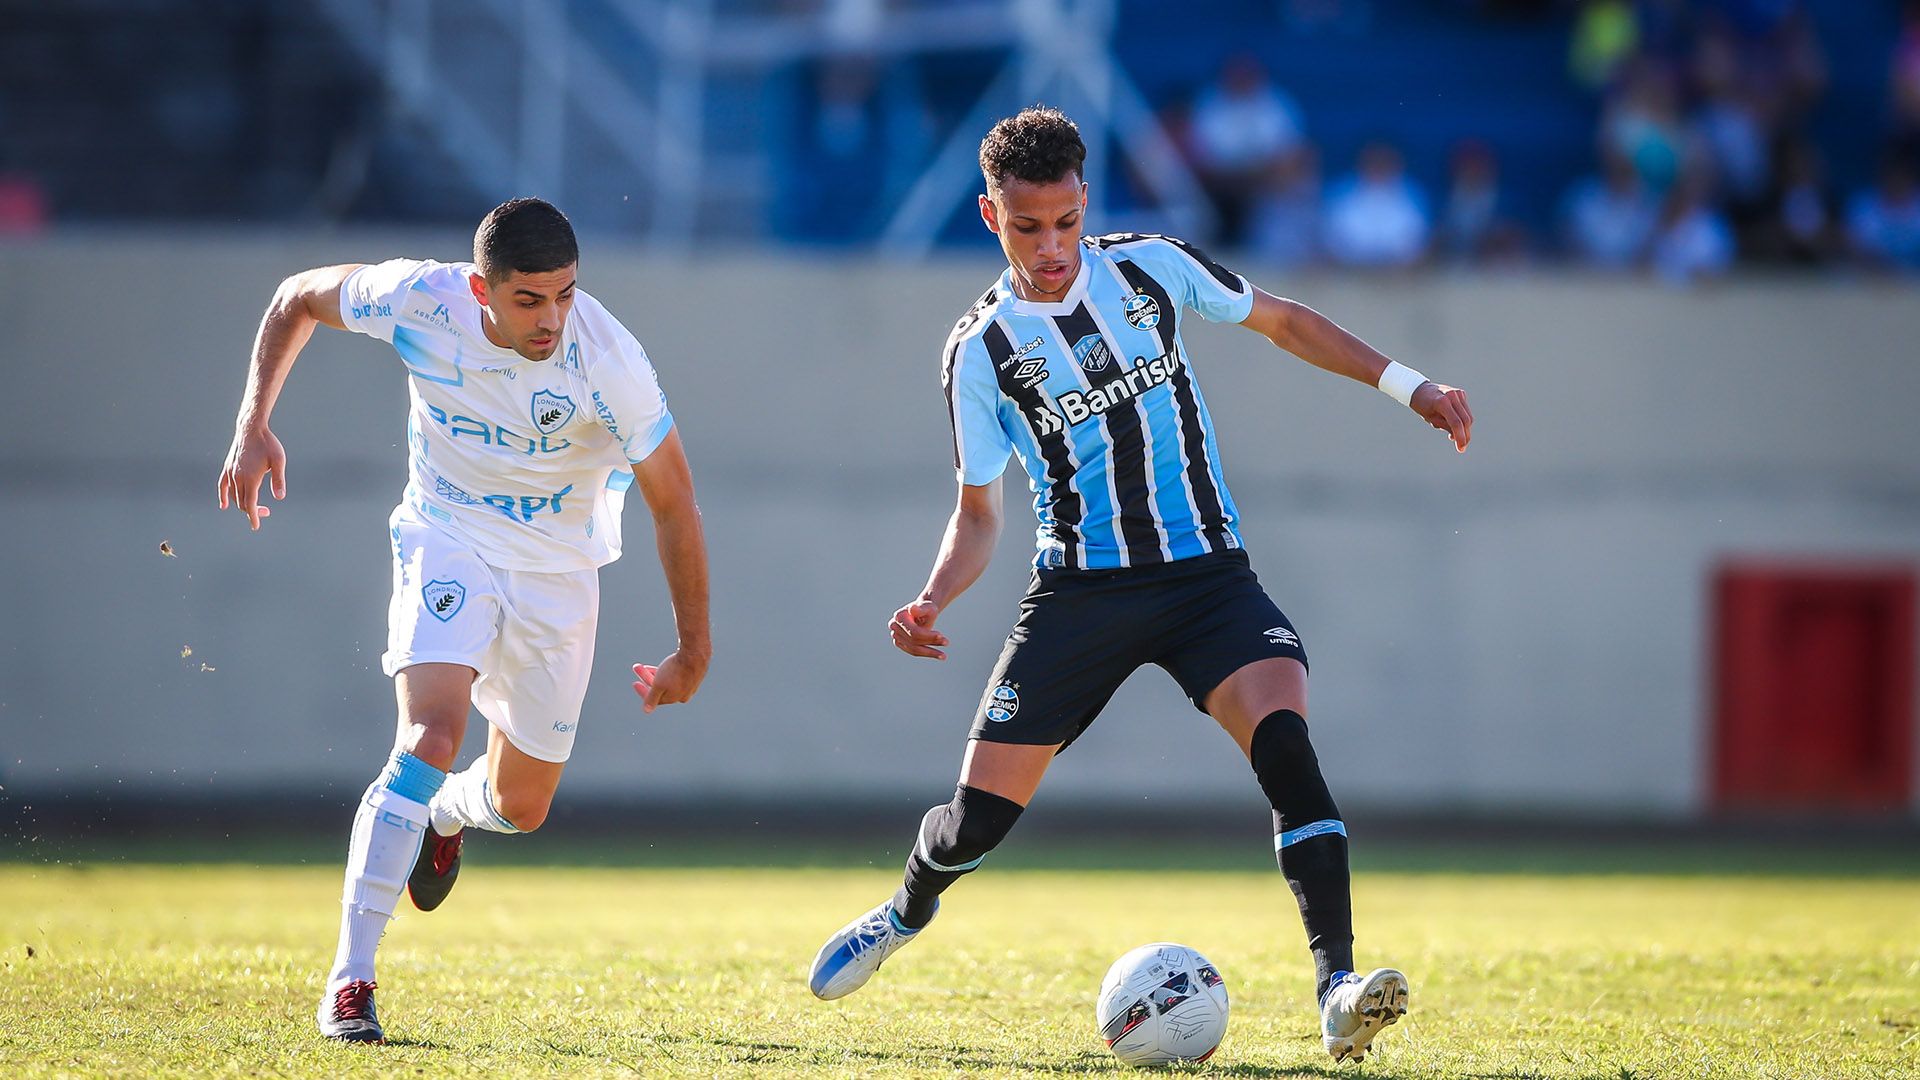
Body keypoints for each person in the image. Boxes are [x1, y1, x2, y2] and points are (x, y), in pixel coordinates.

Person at [805, 107, 1472, 1066]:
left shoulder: (1150, 266)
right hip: (1081, 593)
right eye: (1027, 226)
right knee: (977, 820)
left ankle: (1337, 989)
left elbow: (1282, 321)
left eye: (1067, 221)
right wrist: (933, 598)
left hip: (1208, 577)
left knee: (1286, 742)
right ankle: (904, 910)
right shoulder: (982, 351)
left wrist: (1410, 385)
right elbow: (980, 513)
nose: (1052, 246)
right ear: (989, 214)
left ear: (1087, 201)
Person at [216, 198, 711, 1043]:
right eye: (529, 300)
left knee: (522, 806)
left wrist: (692, 649)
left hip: (558, 574)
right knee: (430, 735)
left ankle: (444, 816)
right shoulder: (421, 299)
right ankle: (351, 981)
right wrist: (252, 421)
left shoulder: (609, 358)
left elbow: (674, 500)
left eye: (565, 294)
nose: (552, 318)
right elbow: (298, 295)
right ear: (481, 288)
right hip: (446, 539)